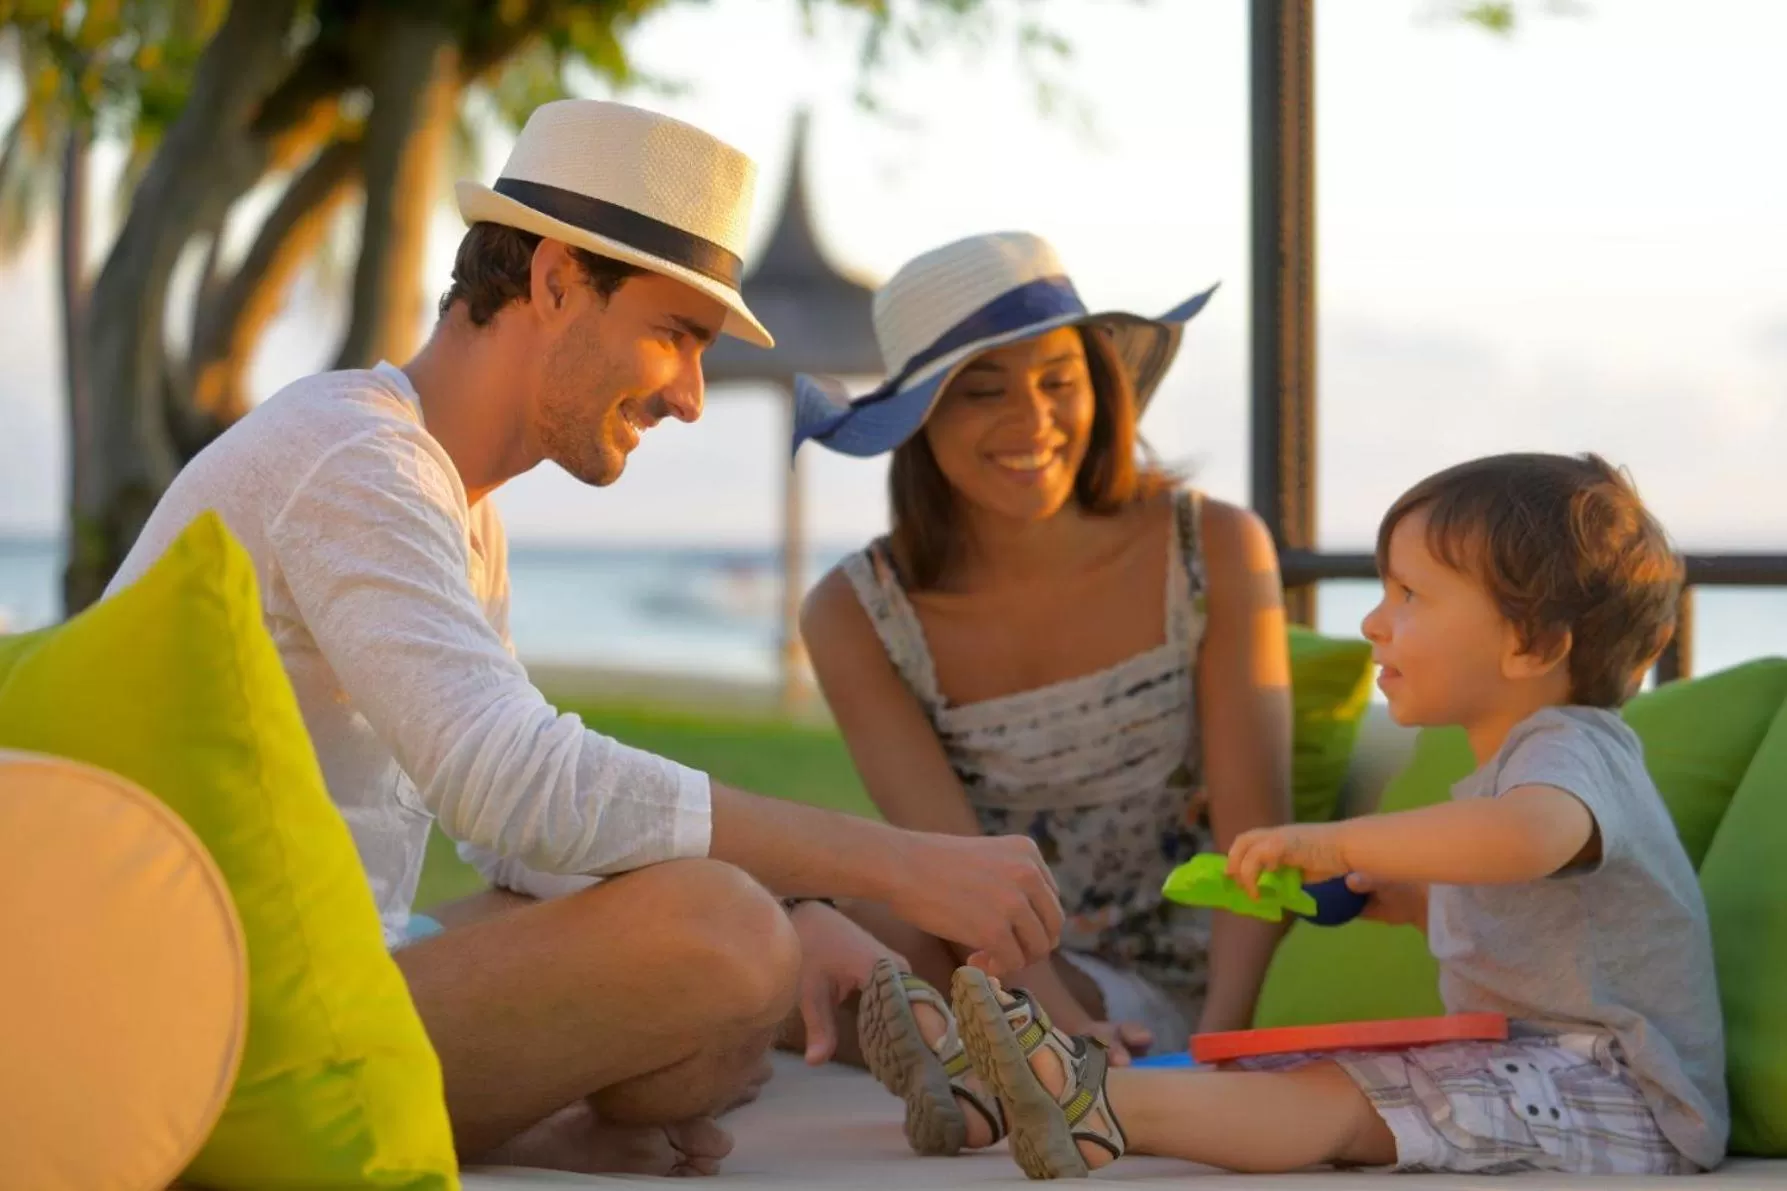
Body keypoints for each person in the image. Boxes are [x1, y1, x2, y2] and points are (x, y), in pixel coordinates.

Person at [104, 100, 1064, 1177]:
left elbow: (513, 840)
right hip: (190, 1024)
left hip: (294, 979)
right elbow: (514, 786)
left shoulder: (451, 504)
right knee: (721, 944)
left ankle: (512, 1113)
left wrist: (795, 902)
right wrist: (888, 868)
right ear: (556, 281)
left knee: (719, 959)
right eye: (673, 337)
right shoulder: (353, 461)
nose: (691, 399)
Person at [947, 452, 1729, 1179]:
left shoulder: (1570, 749)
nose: (1372, 621)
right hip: (1536, 1071)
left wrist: (1339, 839)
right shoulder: (1514, 770)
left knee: (1342, 1098)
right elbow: (1528, 916)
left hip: (1627, 1098)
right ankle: (997, 1097)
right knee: (1288, 1072)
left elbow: (1529, 839)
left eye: (1409, 595)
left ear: (1530, 644)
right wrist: (1392, 898)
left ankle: (1088, 1102)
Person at [790, 231, 1295, 1156]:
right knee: (794, 915)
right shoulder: (852, 610)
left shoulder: (1214, 544)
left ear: (1099, 388)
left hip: (1179, 979)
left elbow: (1254, 836)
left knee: (847, 944)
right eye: (983, 390)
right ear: (919, 418)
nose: (1032, 420)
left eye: (1058, 380)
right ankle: (991, 1060)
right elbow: (947, 864)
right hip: (985, 947)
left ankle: (977, 1061)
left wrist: (1224, 1043)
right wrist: (1049, 1019)